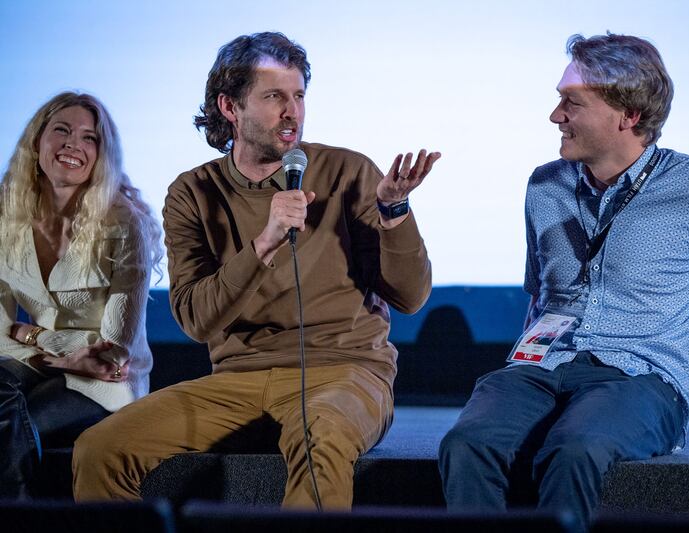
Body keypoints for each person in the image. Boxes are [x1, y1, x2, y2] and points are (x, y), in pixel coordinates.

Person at [438, 33, 689, 531]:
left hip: (641, 376)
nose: (555, 116)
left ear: (627, 115)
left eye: (572, 102)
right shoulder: (545, 185)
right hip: (544, 365)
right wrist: (519, 374)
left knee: (575, 449)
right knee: (467, 443)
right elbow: (540, 298)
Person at [73, 31, 439, 509]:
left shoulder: (348, 172)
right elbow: (195, 319)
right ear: (230, 107)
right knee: (99, 449)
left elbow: (410, 297)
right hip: (236, 380)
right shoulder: (193, 192)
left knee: (322, 438)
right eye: (274, 97)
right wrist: (264, 241)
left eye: (299, 96)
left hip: (343, 371)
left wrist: (394, 213)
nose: (293, 111)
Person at [0, 92, 162, 498]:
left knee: (13, 425)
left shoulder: (126, 223)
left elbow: (113, 351)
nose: (75, 144)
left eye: (90, 138)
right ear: (36, 142)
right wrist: (40, 345)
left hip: (106, 380)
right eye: (62, 130)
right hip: (37, 360)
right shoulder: (6, 214)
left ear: (101, 156)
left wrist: (28, 334)